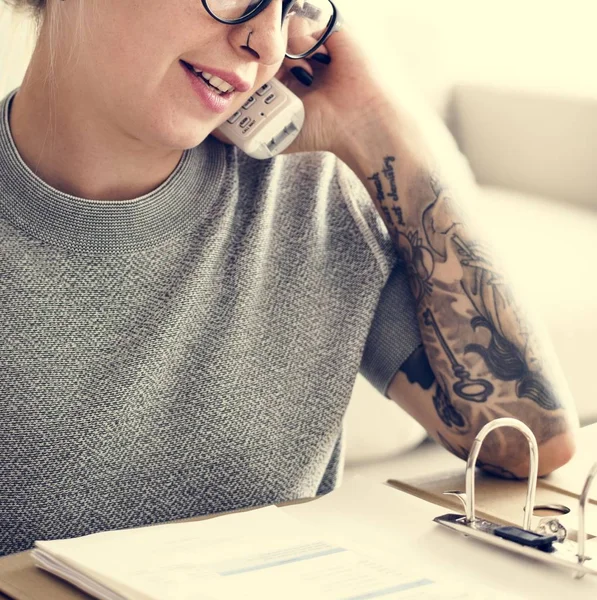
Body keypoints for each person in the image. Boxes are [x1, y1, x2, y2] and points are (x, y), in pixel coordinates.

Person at [0, 0, 577, 557]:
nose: (267, 42)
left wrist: (379, 124)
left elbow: (526, 443)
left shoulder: (310, 196)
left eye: (288, 4)